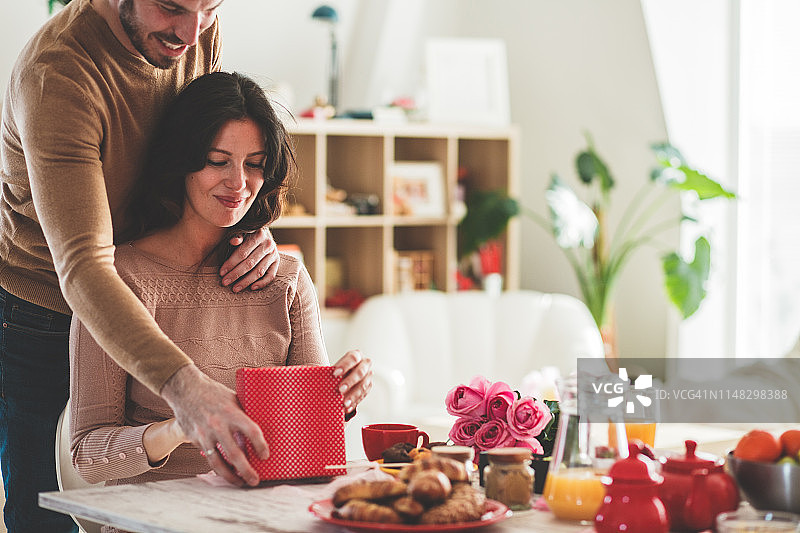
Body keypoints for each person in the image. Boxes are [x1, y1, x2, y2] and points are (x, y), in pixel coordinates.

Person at [0, 1, 319, 530]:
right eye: (172, 7)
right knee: (44, 510)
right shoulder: (58, 75)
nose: (192, 33)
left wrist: (247, 224)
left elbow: (217, 135)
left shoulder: (191, 28)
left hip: (155, 279)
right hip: (47, 304)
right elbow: (84, 265)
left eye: (209, 8)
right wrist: (186, 389)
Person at [69, 72, 372, 505]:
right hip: (155, 519)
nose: (239, 183)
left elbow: (310, 439)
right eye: (217, 160)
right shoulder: (116, 279)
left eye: (254, 164)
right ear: (182, 160)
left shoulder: (285, 280)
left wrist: (341, 393)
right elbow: (87, 455)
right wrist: (183, 423)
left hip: (263, 515)